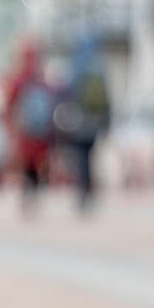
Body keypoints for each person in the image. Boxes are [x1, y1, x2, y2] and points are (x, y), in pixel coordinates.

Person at [55, 34, 111, 211]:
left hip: (78, 124)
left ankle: (83, 193)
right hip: (94, 124)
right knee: (90, 158)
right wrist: (107, 123)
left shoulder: (74, 68)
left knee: (81, 160)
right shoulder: (99, 69)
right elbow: (107, 101)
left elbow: (65, 98)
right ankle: (88, 191)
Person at [3, 38, 57, 211]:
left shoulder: (20, 79)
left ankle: (28, 194)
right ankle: (33, 192)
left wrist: (10, 126)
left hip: (25, 131)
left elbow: (10, 104)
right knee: (37, 164)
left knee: (26, 163)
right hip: (42, 132)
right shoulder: (42, 78)